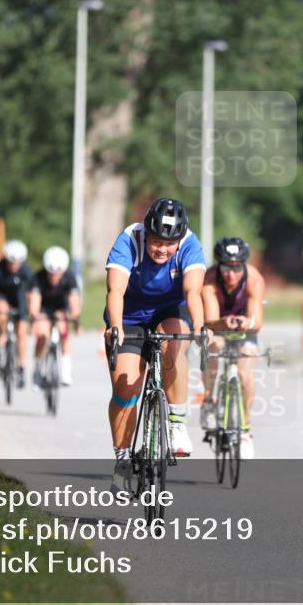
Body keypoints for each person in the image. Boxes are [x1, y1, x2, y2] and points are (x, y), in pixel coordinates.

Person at [104, 198, 206, 495]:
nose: (162, 249)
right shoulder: (129, 240)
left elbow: (193, 290)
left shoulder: (190, 244)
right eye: (156, 242)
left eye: (168, 244)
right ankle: (123, 461)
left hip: (170, 311)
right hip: (130, 315)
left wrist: (199, 328)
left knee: (173, 345)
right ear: (146, 234)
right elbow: (116, 289)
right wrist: (115, 328)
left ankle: (176, 422)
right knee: (125, 389)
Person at [200, 236, 265, 459]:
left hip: (245, 331)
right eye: (226, 267)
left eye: (237, 268)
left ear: (243, 266)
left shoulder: (254, 278)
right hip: (218, 326)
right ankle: (208, 401)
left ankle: (245, 430)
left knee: (247, 375)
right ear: (219, 265)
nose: (231, 274)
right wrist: (223, 323)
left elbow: (257, 322)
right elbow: (209, 320)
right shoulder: (209, 278)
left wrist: (248, 323)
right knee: (213, 346)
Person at [29, 245, 81, 386]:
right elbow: (34, 303)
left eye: (57, 273)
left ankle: (65, 370)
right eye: (50, 273)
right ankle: (38, 369)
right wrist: (36, 317)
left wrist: (74, 316)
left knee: (63, 329)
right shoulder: (38, 277)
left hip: (61, 307)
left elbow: (75, 302)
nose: (53, 276)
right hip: (44, 308)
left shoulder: (69, 278)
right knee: (42, 334)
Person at [0, 240, 33, 388]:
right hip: (3, 297)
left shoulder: (26, 270)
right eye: (11, 262)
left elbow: (32, 294)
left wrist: (31, 313)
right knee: (1, 314)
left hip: (19, 298)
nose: (14, 265)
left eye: (17, 262)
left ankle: (20, 367)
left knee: (22, 332)